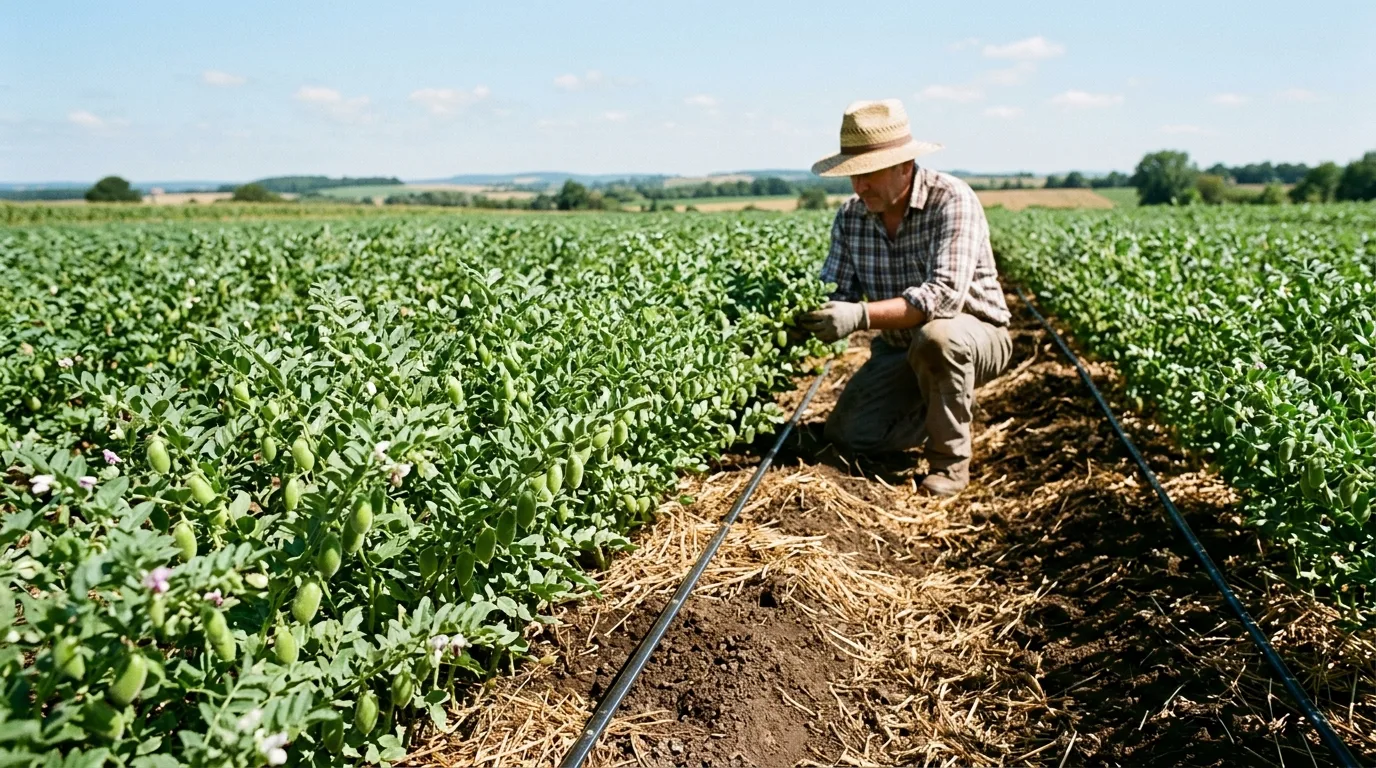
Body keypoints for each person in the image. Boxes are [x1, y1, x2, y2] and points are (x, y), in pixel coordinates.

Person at [800, 99, 1012, 497]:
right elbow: (836, 290)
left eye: (868, 174)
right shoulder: (851, 217)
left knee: (938, 339)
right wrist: (801, 313)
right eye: (853, 176)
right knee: (849, 435)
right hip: (898, 348)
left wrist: (860, 316)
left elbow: (944, 297)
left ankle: (949, 465)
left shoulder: (951, 199)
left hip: (976, 336)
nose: (859, 187)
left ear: (905, 166)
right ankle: (943, 404)